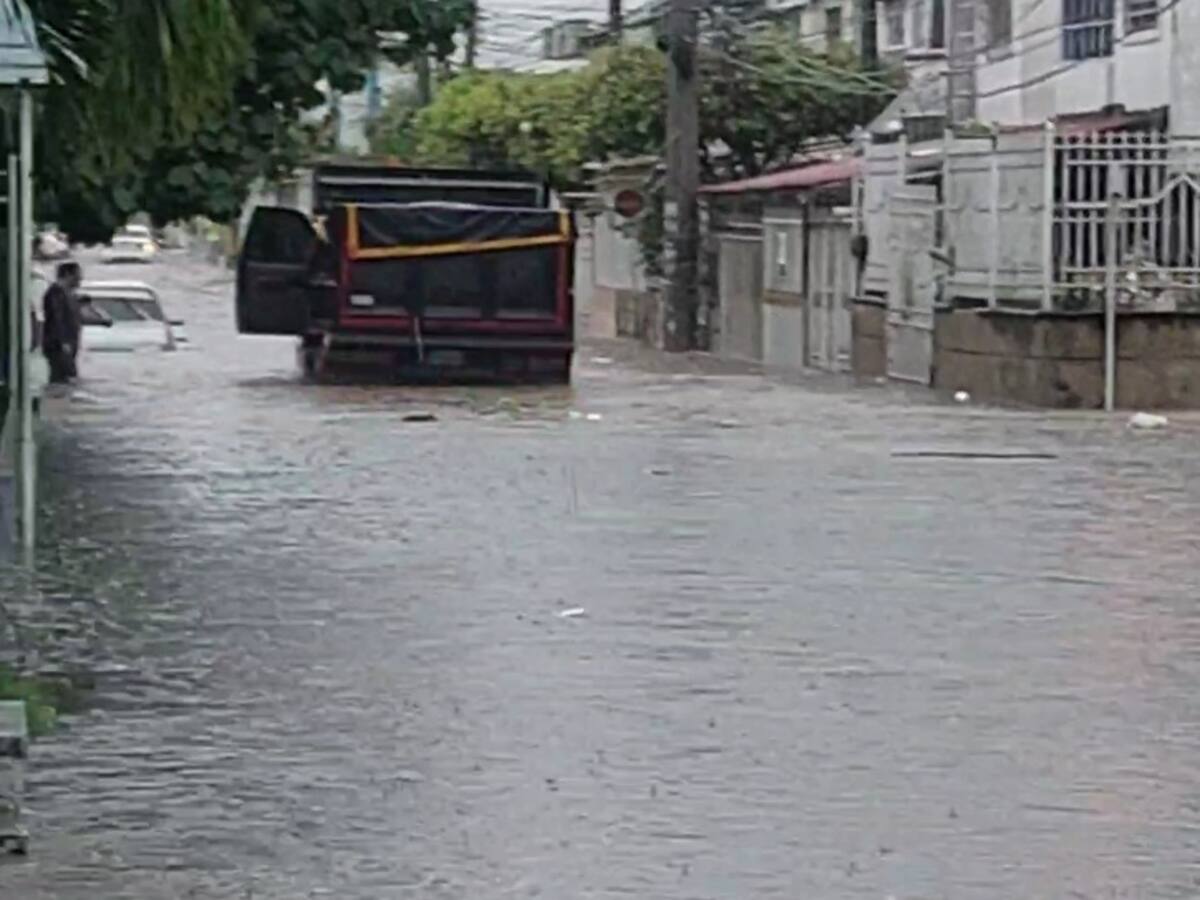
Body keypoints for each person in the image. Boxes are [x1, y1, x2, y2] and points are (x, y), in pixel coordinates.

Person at [42, 262, 84, 384]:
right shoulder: (56, 293)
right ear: (67, 275)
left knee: (66, 379)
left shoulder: (69, 294)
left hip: (67, 346)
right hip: (59, 346)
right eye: (77, 275)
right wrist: (63, 342)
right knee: (65, 379)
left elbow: (74, 318)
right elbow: (56, 318)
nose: (80, 279)